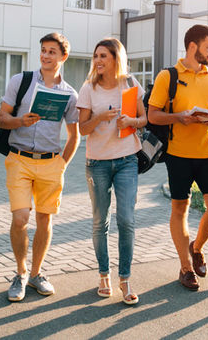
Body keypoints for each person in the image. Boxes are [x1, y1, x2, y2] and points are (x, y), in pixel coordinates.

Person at [0, 32, 80, 302]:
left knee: (45, 219)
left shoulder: (69, 94)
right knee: (20, 218)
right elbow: (1, 119)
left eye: (51, 51)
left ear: (63, 57)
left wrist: (62, 165)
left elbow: (74, 135)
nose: (45, 56)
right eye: (43, 50)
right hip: (19, 159)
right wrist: (21, 122)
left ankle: (36, 273)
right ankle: (20, 274)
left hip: (50, 163)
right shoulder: (20, 81)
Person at [148, 24, 208, 291]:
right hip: (178, 154)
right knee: (179, 209)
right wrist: (178, 118)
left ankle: (197, 247)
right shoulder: (167, 76)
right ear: (193, 46)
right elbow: (153, 115)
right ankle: (185, 267)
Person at [77, 38, 147, 305]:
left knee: (126, 219)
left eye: (103, 56)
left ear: (116, 59)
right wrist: (100, 118)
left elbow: (144, 119)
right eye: (96, 56)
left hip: (127, 159)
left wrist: (131, 121)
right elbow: (82, 129)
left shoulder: (130, 84)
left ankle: (125, 278)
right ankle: (104, 273)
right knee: (100, 221)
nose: (98, 61)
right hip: (98, 162)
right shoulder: (88, 89)